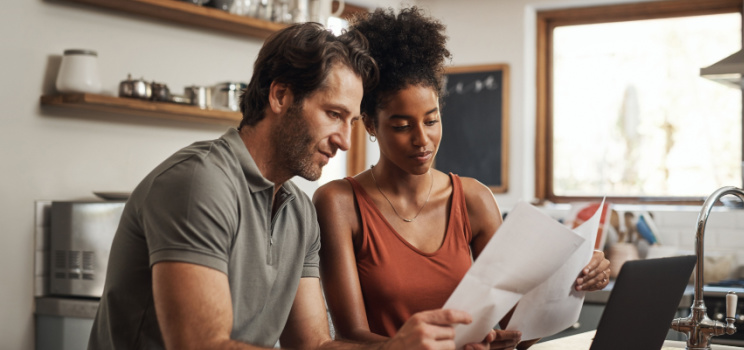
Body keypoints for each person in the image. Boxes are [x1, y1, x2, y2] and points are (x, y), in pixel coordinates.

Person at [88, 22, 489, 350]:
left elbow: (313, 345)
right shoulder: (200, 184)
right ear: (280, 95)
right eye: (333, 114)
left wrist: (397, 347)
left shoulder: (298, 210)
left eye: (350, 121)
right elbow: (202, 346)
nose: (344, 141)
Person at [312, 7, 612, 350]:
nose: (422, 140)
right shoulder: (339, 203)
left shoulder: (473, 200)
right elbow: (351, 337)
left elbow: (518, 331)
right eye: (401, 126)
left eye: (431, 120)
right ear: (369, 124)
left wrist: (573, 280)